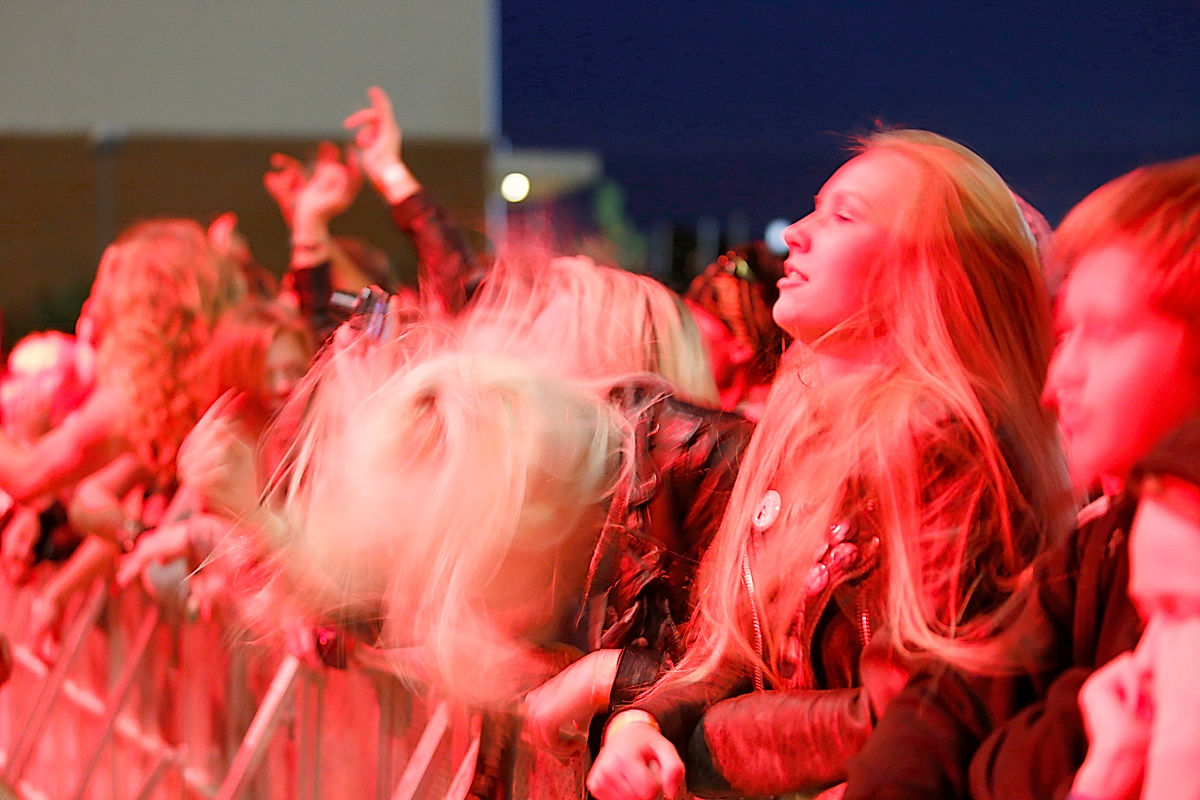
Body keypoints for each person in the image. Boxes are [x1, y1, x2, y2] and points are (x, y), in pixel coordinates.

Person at [586, 129, 1068, 800]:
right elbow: (730, 654)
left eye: (844, 216)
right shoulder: (799, 432)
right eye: (816, 209)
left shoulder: (951, 446)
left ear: (929, 267)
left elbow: (911, 712)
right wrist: (642, 724)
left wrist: (699, 743)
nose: (796, 235)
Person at [841, 153, 1200, 800]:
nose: (1059, 381)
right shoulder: (1101, 546)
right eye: (1066, 335)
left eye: (1106, 332)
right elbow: (951, 700)